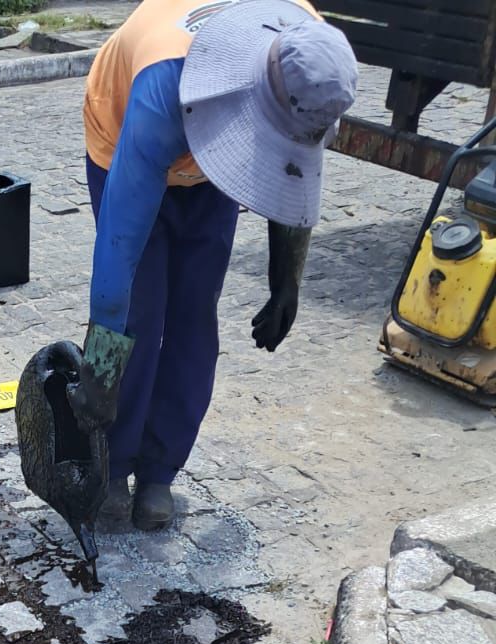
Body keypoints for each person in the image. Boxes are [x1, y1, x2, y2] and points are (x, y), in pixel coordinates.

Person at [80, 0, 358, 531]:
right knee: (138, 310)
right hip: (127, 138)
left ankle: (159, 471)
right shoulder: (162, 85)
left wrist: (286, 282)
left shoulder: (316, 58)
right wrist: (99, 366)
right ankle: (111, 465)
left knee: (194, 310)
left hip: (211, 166)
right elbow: (117, 262)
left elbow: (294, 167)